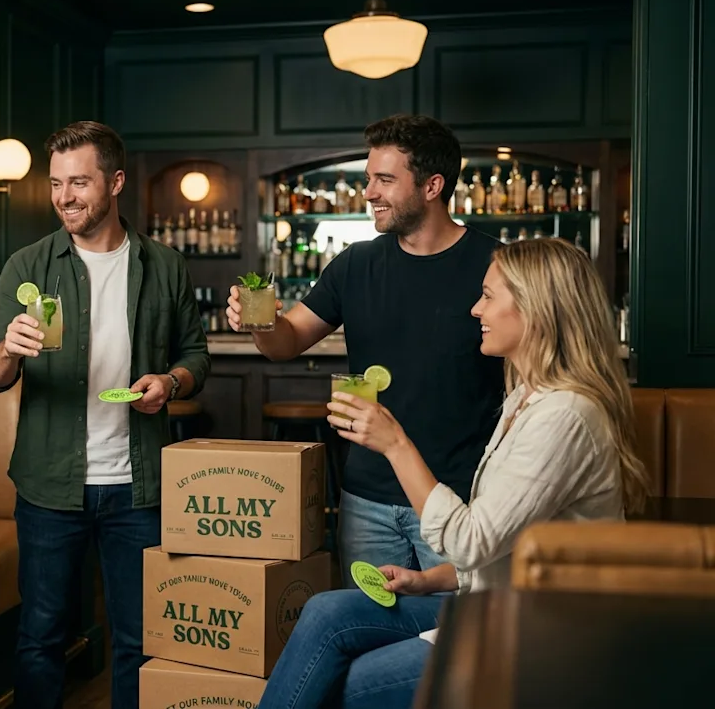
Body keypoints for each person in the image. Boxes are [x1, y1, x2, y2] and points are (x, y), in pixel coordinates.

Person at [258, 236, 650, 708]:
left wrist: (395, 443)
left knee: (353, 683)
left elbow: (472, 539)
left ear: (536, 310)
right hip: (495, 602)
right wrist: (431, 579)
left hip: (540, 629)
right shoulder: (526, 397)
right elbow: (508, 548)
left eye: (488, 296)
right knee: (326, 612)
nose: (474, 310)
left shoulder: (564, 416)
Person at [0, 120, 210, 709]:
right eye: (56, 183)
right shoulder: (28, 265)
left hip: (140, 487)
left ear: (116, 182)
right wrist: (9, 347)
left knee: (139, 637)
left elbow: (195, 356)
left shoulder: (164, 265)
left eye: (79, 182)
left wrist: (172, 381)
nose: (64, 197)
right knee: (40, 637)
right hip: (51, 485)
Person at [227, 114, 506, 582]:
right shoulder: (355, 264)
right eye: (367, 179)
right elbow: (287, 342)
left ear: (432, 185)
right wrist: (261, 322)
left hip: (457, 500)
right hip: (366, 499)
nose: (369, 193)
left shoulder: (497, 265)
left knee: (454, 640)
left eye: (384, 180)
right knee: (365, 629)